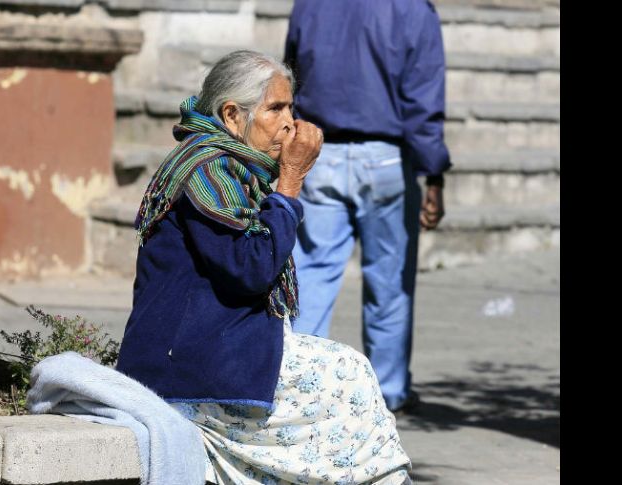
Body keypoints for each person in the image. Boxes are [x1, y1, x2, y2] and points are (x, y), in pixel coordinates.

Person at [115, 50, 412, 484]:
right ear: (233, 115)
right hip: (187, 365)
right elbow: (252, 267)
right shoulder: (207, 170)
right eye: (276, 109)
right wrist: (290, 184)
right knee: (348, 376)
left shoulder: (231, 166)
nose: (290, 124)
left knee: (349, 378)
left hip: (217, 344)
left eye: (291, 108)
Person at [284, 0, 452, 413]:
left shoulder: (310, 4)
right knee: (390, 284)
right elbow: (422, 102)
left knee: (310, 274)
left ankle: (299, 388)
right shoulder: (414, 10)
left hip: (320, 151)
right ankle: (388, 393)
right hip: (387, 159)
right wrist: (434, 173)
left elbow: (289, 80)